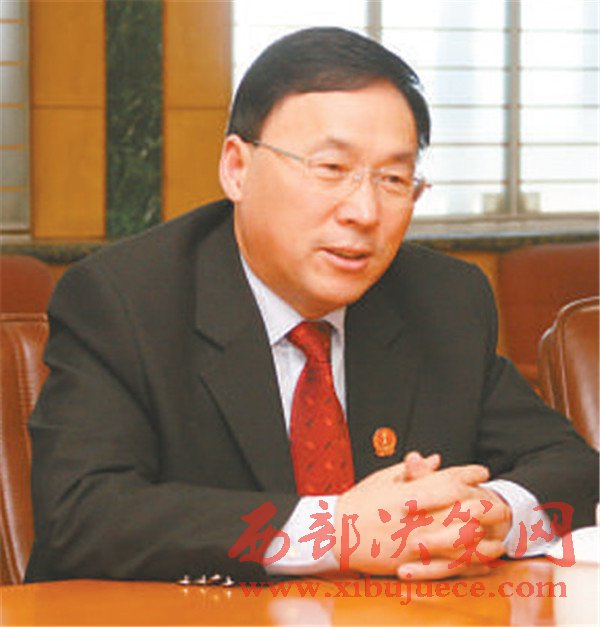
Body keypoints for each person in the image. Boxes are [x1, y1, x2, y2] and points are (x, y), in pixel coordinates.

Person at [26, 27, 598, 584]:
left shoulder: (442, 299)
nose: (364, 212)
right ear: (237, 168)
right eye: (331, 169)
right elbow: (81, 515)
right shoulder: (126, 299)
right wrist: (337, 532)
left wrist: (491, 515)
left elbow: (574, 471)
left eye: (394, 178)